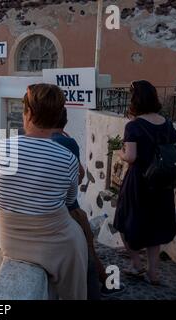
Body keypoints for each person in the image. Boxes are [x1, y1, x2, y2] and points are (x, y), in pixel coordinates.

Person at [0, 84, 88, 300]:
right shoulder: (68, 158)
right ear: (57, 117)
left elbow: (0, 190)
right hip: (60, 246)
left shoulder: (1, 149)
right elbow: (70, 200)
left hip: (13, 243)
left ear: (29, 114)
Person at [51, 108, 125, 298]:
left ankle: (106, 282)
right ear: (64, 122)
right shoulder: (67, 142)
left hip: (49, 214)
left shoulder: (36, 142)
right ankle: (105, 285)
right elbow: (80, 175)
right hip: (71, 209)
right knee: (88, 250)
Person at [114, 80, 176, 286]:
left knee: (123, 222)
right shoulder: (167, 123)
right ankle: (154, 273)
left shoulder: (134, 126)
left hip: (139, 182)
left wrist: (121, 153)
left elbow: (131, 156)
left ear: (135, 100)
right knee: (155, 227)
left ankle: (136, 263)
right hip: (162, 183)